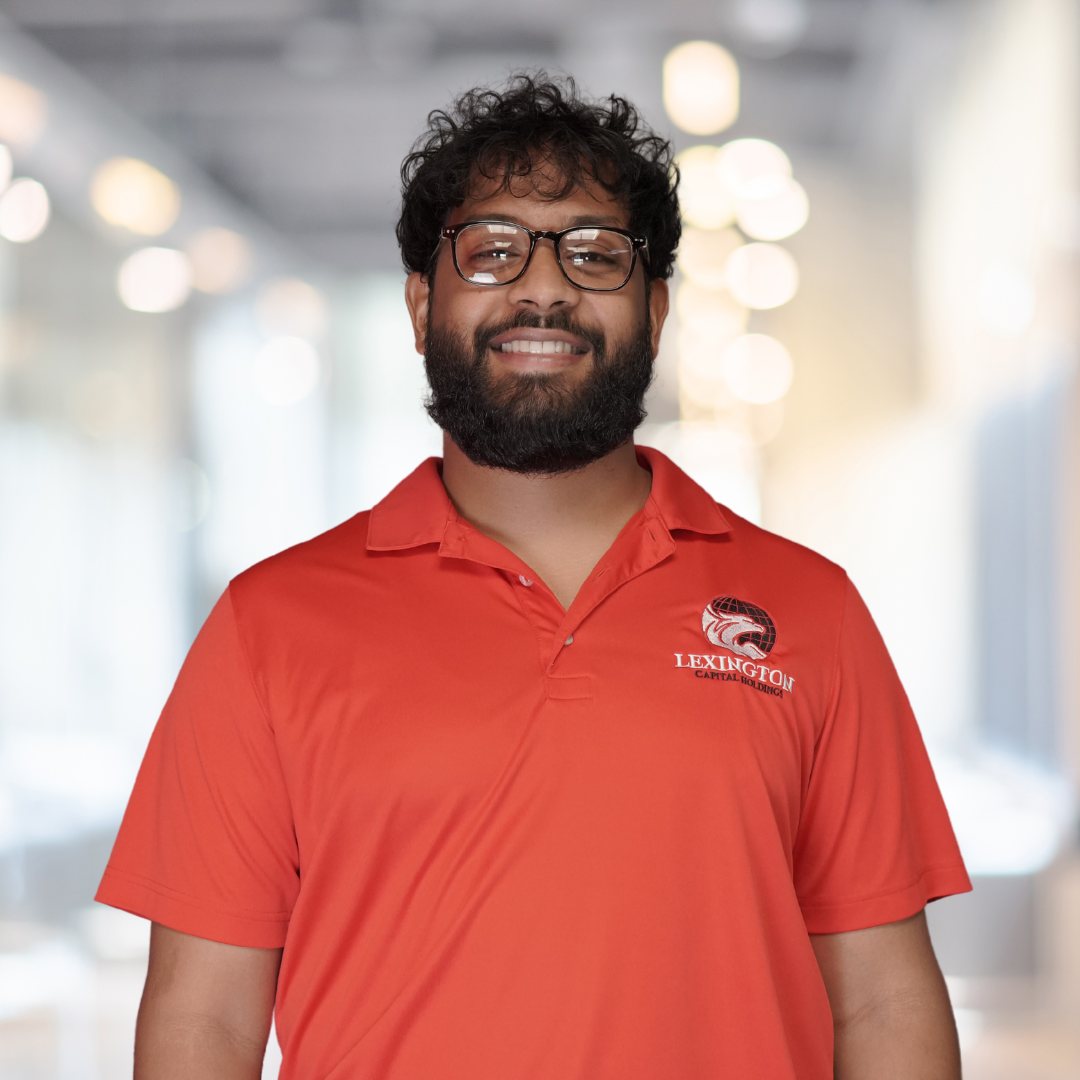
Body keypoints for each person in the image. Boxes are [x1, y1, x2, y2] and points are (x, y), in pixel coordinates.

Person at [98, 76, 971, 1080]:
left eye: (595, 254)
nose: (544, 288)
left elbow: (883, 998)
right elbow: (204, 1017)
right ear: (424, 303)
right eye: (493, 250)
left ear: (655, 306)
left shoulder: (810, 613)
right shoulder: (269, 625)